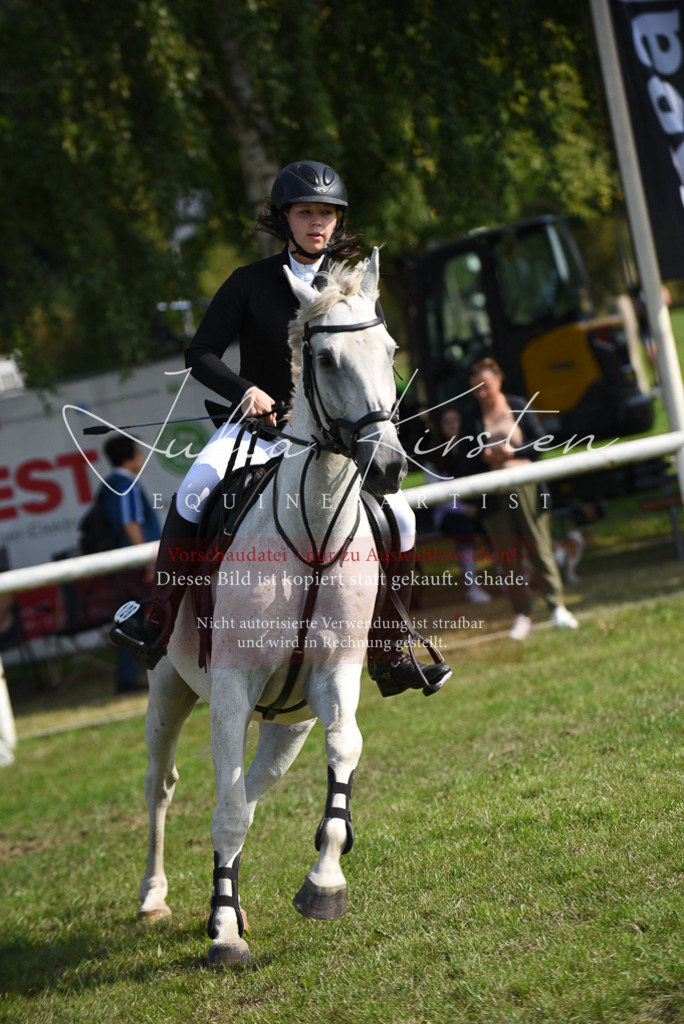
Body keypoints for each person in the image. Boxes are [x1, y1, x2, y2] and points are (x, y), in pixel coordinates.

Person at [110, 160, 451, 696]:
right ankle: (157, 613)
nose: (318, 224)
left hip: (333, 441)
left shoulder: (355, 287)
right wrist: (245, 389)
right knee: (195, 490)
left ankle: (388, 647)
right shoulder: (249, 284)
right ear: (285, 218)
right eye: (307, 213)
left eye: (328, 215)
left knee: (402, 520)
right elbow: (199, 353)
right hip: (257, 431)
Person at [461, 358, 579, 640]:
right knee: (506, 557)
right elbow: (463, 460)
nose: (481, 392)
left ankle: (556, 606)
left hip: (526, 487)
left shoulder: (517, 404)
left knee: (538, 548)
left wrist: (513, 452)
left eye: (485, 386)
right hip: (492, 493)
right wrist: (484, 456)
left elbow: (541, 442)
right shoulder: (470, 416)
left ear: (498, 380)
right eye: (475, 388)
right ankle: (522, 614)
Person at [100, 435, 161, 692]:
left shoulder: (109, 484)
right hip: (135, 565)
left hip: (122, 565)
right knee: (135, 620)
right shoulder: (125, 484)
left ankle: (129, 677)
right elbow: (130, 524)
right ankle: (132, 677)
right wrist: (147, 564)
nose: (142, 456)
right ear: (129, 456)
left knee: (128, 619)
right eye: (139, 451)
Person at [423, 406, 491, 605]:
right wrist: (464, 509)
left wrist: (477, 506)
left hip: (478, 507)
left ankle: (508, 580)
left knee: (491, 523)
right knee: (465, 529)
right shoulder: (432, 457)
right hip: (449, 514)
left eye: (456, 420)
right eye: (447, 422)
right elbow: (437, 497)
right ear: (439, 427)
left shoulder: (475, 448)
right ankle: (473, 589)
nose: (453, 426)